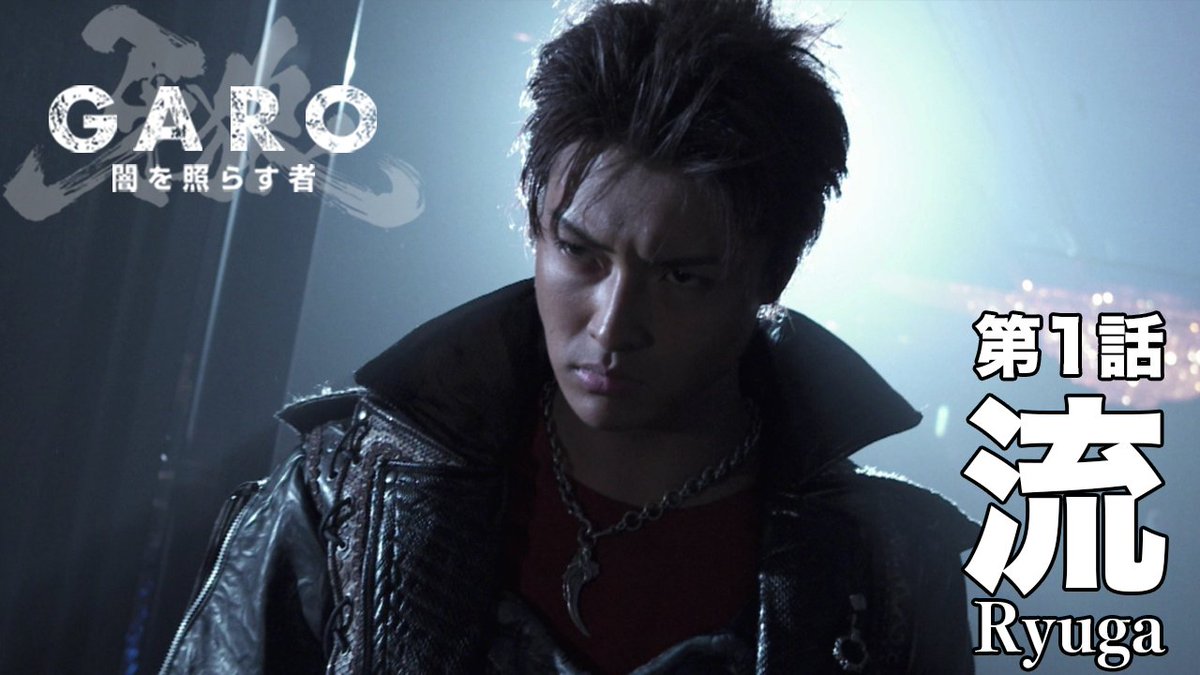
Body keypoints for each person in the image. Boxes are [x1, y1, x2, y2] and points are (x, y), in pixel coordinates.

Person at [159, 0, 977, 672]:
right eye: (581, 253)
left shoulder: (891, 567)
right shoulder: (345, 492)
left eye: (681, 276)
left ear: (773, 276)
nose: (614, 325)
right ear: (535, 227)